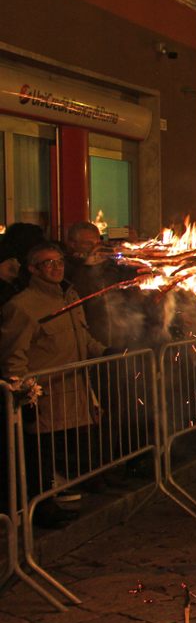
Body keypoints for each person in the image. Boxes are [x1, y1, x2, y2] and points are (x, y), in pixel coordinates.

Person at [0, 242, 107, 528]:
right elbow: (14, 356)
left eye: (59, 262)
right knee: (40, 454)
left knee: (63, 450)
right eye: (48, 263)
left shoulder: (69, 297)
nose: (56, 267)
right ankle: (41, 507)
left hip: (74, 390)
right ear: (33, 269)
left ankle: (57, 496)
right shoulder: (22, 307)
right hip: (45, 395)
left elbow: (82, 338)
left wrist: (106, 351)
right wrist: (21, 393)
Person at [63, 221, 144, 350]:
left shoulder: (107, 264)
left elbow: (131, 282)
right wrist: (88, 266)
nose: (96, 248)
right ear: (72, 244)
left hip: (119, 334)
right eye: (89, 243)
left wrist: (130, 249)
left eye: (98, 243)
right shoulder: (64, 267)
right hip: (89, 341)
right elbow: (80, 290)